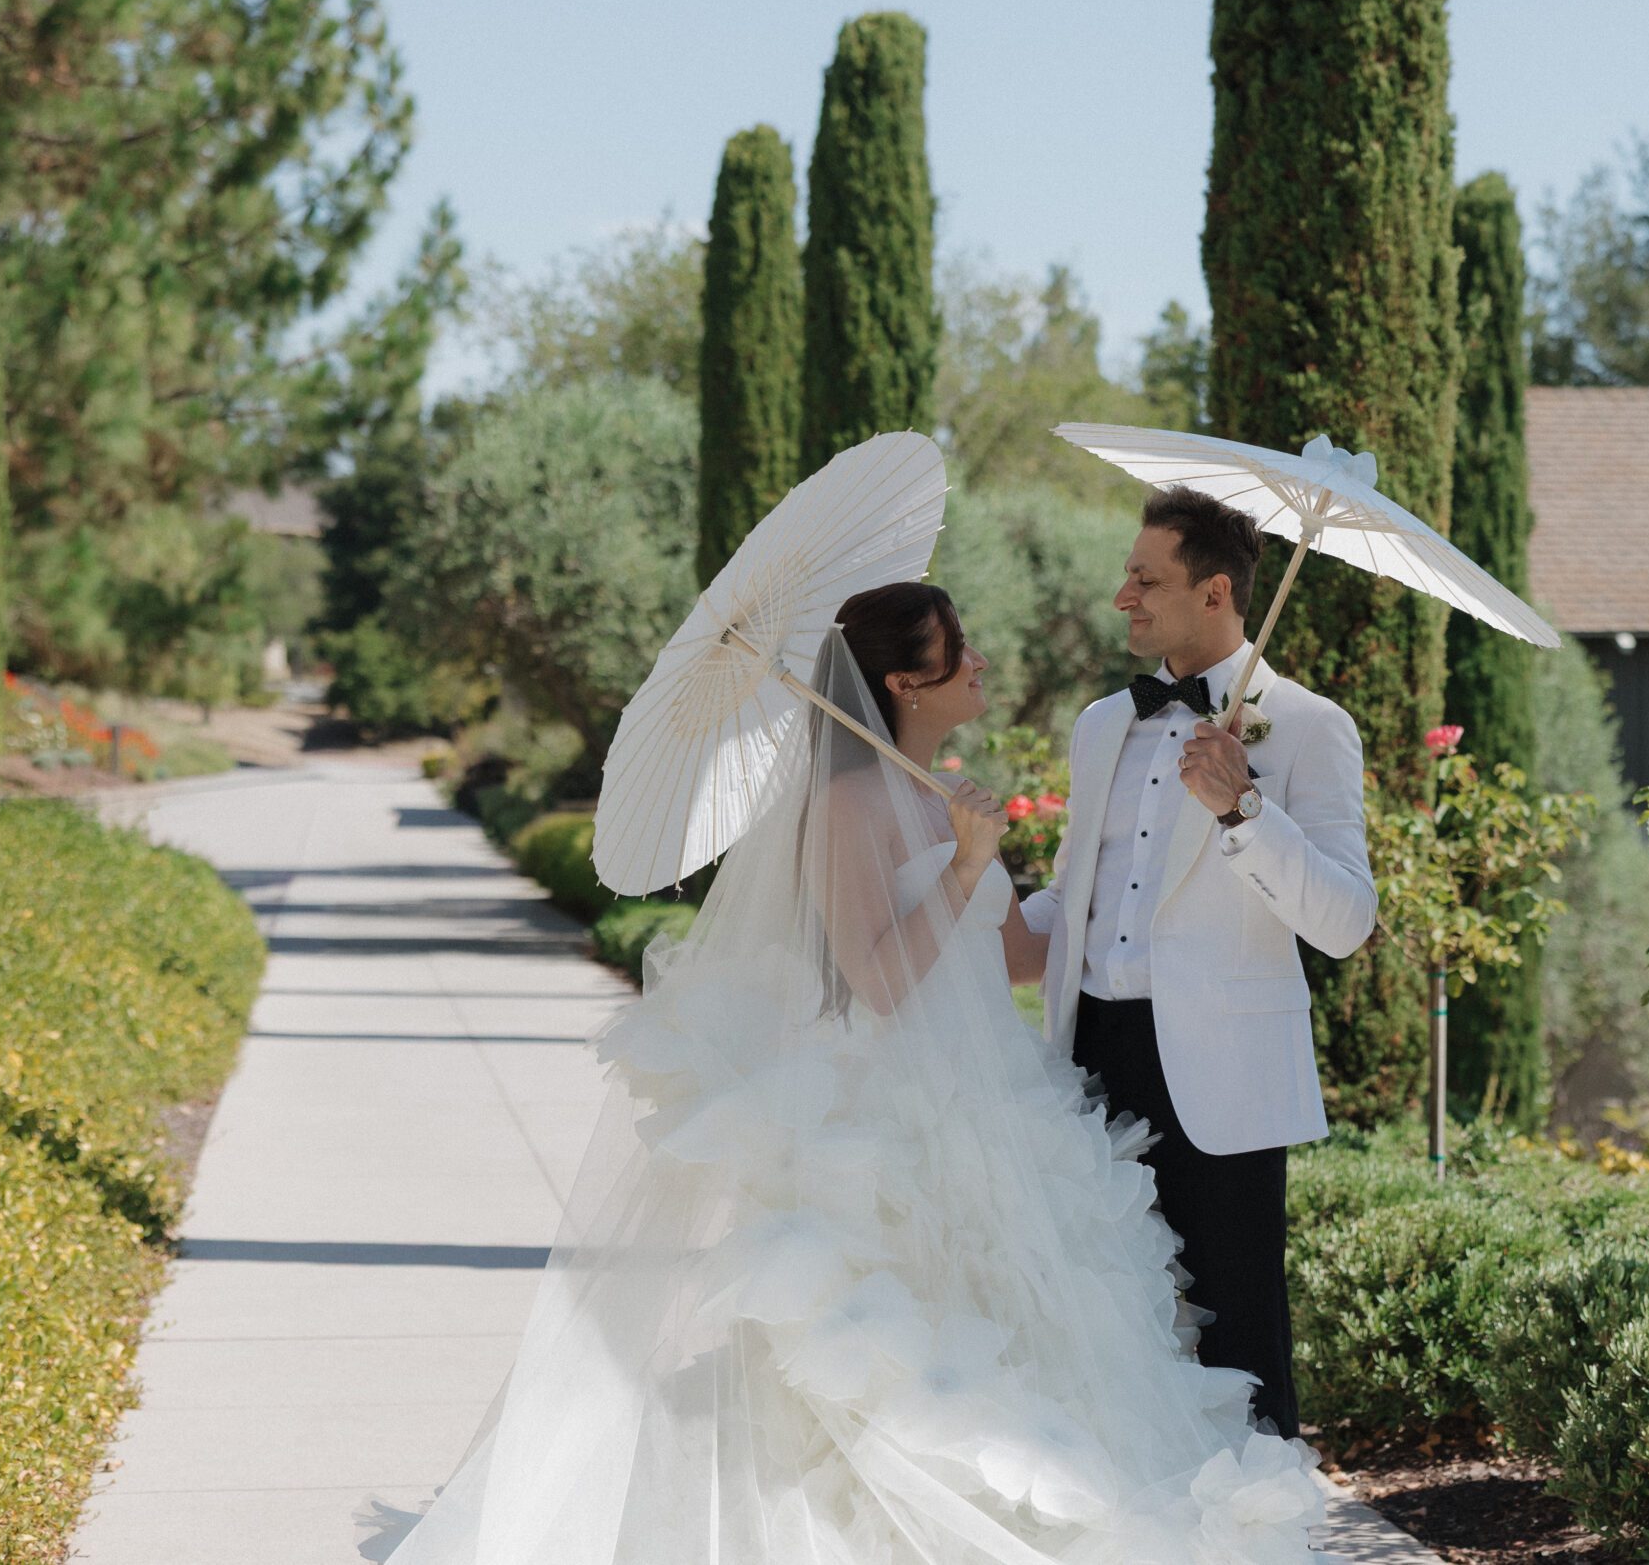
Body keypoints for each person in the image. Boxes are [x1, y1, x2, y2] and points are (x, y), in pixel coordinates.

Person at [360, 582, 1326, 1564]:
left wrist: (1155, 887)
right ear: (907, 680)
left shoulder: (932, 785)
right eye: (963, 651)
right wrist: (962, 864)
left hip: (1001, 1106)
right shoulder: (847, 802)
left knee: (1040, 1338)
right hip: (909, 1124)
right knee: (906, 1354)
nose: (983, 663)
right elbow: (875, 980)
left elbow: (1010, 956)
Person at [1017, 488, 1376, 1441]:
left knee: (1238, 1342)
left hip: (1220, 1083)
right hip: (1090, 1058)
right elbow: (1075, 901)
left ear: (1215, 590)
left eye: (1146, 578)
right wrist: (962, 894)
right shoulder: (1099, 725)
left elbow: (1345, 921)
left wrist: (1244, 811)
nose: (1121, 595)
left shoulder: (1307, 727)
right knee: (1104, 1320)